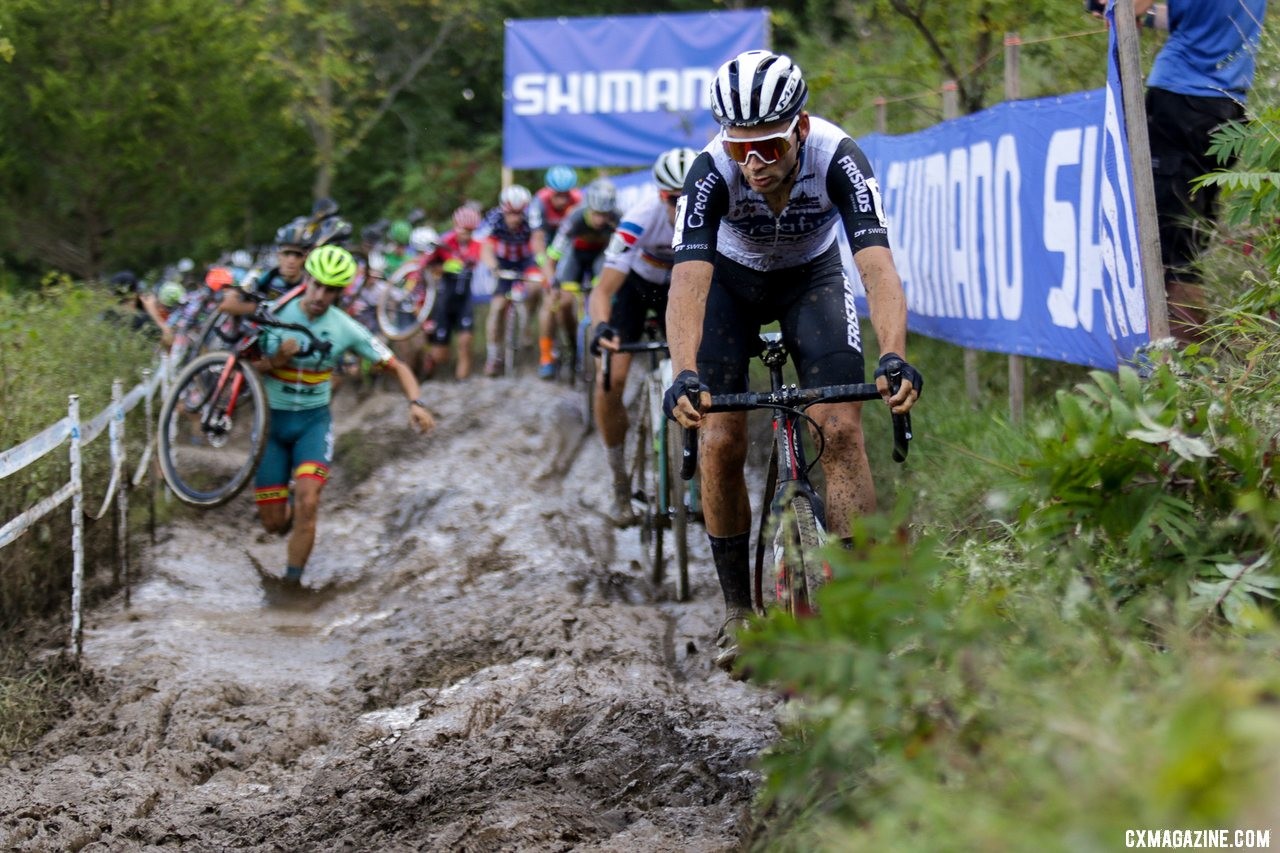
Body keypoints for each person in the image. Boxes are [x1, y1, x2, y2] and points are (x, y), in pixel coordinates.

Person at [664, 50, 923, 670]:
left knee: (840, 428)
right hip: (730, 286)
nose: (753, 164)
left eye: (770, 148)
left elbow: (879, 270)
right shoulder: (707, 174)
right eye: (739, 149)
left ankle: (865, 600)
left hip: (811, 278)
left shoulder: (839, 157)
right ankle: (736, 612)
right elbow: (688, 284)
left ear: (800, 129)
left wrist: (893, 356)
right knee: (720, 438)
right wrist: (683, 374)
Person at [251, 245, 436, 587]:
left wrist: (416, 403)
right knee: (273, 524)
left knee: (310, 502)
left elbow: (397, 366)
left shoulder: (346, 328)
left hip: (312, 423)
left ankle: (291, 586)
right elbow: (241, 364)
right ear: (307, 279)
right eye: (317, 284)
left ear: (340, 292)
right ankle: (286, 505)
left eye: (331, 289)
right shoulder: (276, 313)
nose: (321, 295)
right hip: (271, 425)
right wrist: (274, 361)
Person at [1132, 0, 1267, 343]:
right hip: (1226, 107)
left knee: (1166, 249)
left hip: (1179, 100)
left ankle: (1175, 369)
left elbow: (1131, 5)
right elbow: (1182, 17)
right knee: (1187, 245)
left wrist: (1112, 7)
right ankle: (1189, 367)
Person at [589, 148, 698, 524]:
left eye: (691, 197)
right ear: (659, 195)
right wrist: (601, 327)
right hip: (636, 292)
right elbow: (602, 291)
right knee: (610, 380)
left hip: (683, 291)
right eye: (673, 199)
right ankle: (620, 480)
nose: (682, 207)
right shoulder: (640, 219)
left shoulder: (715, 215)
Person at [537, 178, 621, 379]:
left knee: (604, 296)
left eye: (604, 215)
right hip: (575, 257)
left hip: (600, 257)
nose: (600, 220)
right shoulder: (574, 218)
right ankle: (565, 348)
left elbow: (626, 255)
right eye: (596, 214)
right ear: (588, 208)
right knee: (562, 302)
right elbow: (553, 256)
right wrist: (551, 280)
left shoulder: (618, 218)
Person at [418, 205, 484, 380]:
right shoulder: (444, 242)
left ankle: (463, 383)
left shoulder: (477, 246)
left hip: (464, 301)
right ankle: (429, 362)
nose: (466, 234)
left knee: (465, 343)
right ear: (456, 226)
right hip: (444, 302)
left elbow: (474, 261)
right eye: (464, 230)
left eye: (470, 231)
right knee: (441, 356)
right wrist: (442, 268)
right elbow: (424, 266)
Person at [480, 184, 539, 377]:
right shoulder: (494, 217)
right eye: (511, 214)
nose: (515, 218)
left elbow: (539, 243)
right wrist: (493, 267)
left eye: (519, 213)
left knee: (534, 288)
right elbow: (486, 247)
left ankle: (527, 324)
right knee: (497, 308)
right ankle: (493, 356)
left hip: (525, 260)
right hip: (503, 261)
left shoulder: (532, 218)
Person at [221, 217, 312, 317]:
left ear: (305, 258)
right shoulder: (268, 273)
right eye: (287, 253)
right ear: (278, 255)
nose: (291, 260)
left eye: (298, 255)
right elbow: (235, 295)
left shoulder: (309, 284)